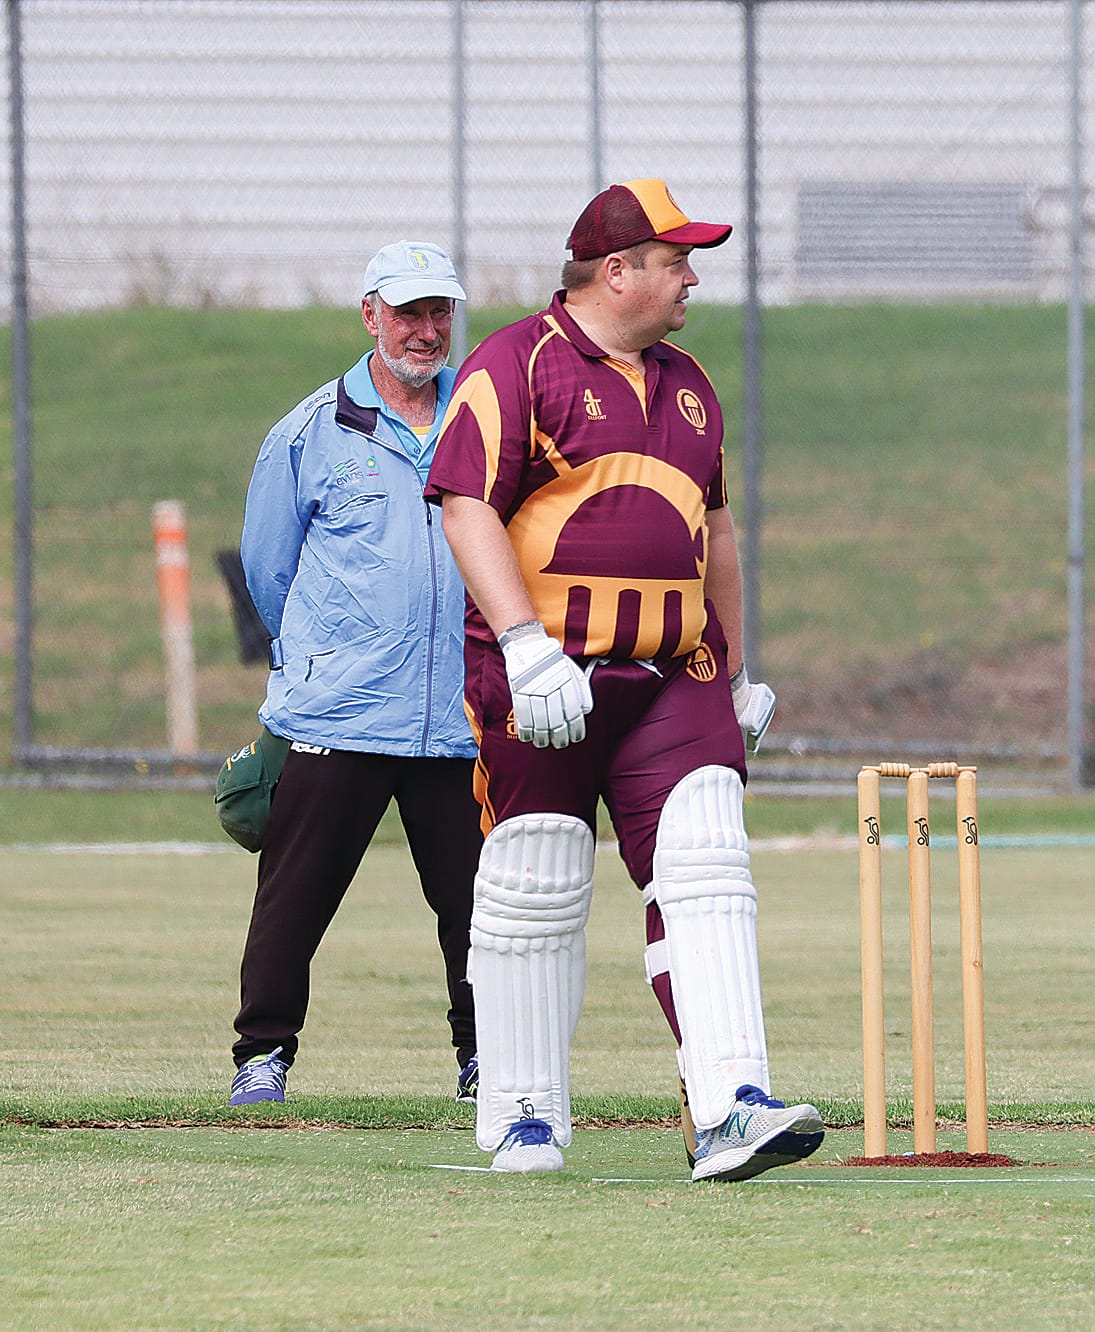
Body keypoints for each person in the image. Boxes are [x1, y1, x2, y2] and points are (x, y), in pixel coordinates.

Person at [427, 178, 818, 1178]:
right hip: (546, 673)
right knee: (537, 877)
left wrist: (732, 667)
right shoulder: (513, 364)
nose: (690, 278)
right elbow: (465, 505)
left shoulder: (689, 382)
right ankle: (522, 1116)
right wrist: (521, 643)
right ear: (616, 271)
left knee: (706, 863)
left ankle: (733, 1104)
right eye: (674, 260)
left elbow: (713, 531)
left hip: (674, 678)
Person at [228, 242, 484, 1106]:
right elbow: (270, 572)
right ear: (369, 315)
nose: (425, 330)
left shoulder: (488, 417)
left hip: (459, 716)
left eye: (438, 312)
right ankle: (262, 1053)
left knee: (478, 909)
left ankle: (485, 1060)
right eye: (407, 313)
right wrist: (324, 657)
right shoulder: (307, 431)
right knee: (293, 899)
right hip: (340, 712)